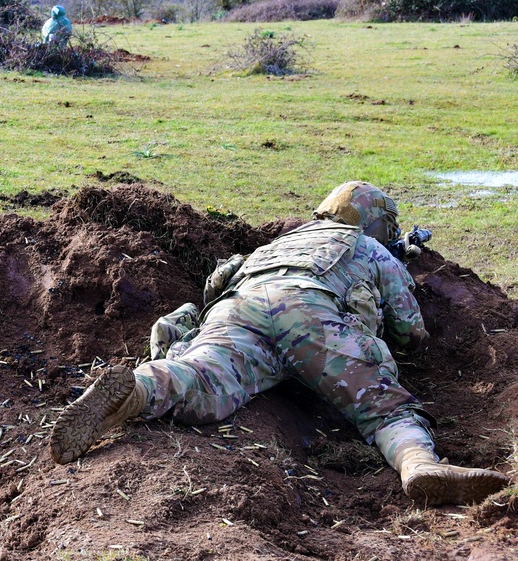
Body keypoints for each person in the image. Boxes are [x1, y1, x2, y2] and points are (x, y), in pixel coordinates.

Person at [49, 181, 510, 507]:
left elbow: (218, 286)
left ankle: (134, 390)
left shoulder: (278, 243)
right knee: (382, 405)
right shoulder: (367, 249)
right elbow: (411, 333)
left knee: (200, 378)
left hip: (238, 307)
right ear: (377, 224)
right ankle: (418, 465)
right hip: (310, 317)